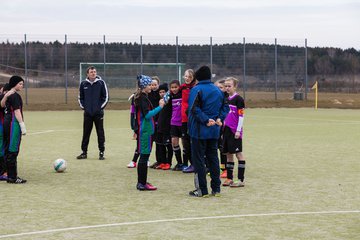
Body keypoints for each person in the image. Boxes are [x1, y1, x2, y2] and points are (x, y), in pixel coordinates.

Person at [187, 66, 228, 197]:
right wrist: (219, 118)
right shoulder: (217, 90)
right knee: (213, 158)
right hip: (214, 130)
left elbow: (194, 108)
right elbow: (225, 106)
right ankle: (216, 189)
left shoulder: (196, 89)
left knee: (198, 160)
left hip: (199, 131)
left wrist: (205, 120)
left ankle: (202, 190)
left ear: (197, 78)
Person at [134, 75, 164, 190]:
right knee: (144, 157)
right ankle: (141, 183)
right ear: (144, 86)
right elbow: (147, 115)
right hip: (145, 131)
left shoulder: (143, 97)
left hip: (146, 131)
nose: (151, 86)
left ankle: (143, 181)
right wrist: (160, 107)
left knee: (144, 157)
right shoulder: (143, 98)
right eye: (149, 85)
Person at [77, 66, 109, 160]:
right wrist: (85, 108)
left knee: (100, 132)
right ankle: (84, 152)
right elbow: (80, 98)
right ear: (87, 74)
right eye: (91, 72)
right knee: (86, 133)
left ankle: (101, 152)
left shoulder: (101, 83)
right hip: (87, 114)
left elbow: (106, 97)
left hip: (98, 114)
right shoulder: (83, 84)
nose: (93, 73)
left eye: (94, 71)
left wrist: (99, 108)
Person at [222, 77, 246, 187]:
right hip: (226, 130)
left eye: (229, 86)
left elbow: (241, 116)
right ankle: (229, 178)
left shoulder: (239, 99)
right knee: (228, 154)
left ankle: (241, 180)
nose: (227, 88)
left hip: (235, 131)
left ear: (235, 86)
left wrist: (238, 130)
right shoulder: (225, 98)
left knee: (238, 154)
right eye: (225, 86)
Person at [3, 76, 27, 183]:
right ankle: (12, 177)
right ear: (14, 84)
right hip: (14, 124)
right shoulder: (15, 96)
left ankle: (9, 175)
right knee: (13, 150)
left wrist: (4, 97)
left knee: (8, 148)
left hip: (7, 123)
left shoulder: (8, 94)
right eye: (20, 84)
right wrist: (22, 124)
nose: (22, 86)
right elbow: (17, 111)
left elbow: (2, 105)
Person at [180, 69, 197, 173]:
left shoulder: (195, 88)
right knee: (185, 143)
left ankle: (196, 164)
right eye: (186, 76)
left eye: (189, 77)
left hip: (192, 118)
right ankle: (191, 164)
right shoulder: (181, 88)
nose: (187, 78)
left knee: (193, 142)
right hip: (183, 119)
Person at [154, 83, 173, 170]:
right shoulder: (160, 102)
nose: (162, 94)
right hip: (160, 127)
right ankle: (163, 162)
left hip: (167, 127)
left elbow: (169, 94)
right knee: (160, 145)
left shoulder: (168, 100)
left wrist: (168, 93)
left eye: (163, 92)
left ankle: (168, 163)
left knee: (168, 145)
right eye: (160, 92)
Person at [215, 79, 229, 178]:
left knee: (223, 149)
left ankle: (225, 170)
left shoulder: (228, 99)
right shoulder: (215, 98)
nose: (218, 89)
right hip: (216, 125)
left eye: (221, 87)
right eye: (217, 87)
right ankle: (219, 169)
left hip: (225, 127)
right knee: (216, 147)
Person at [168, 80, 184, 171]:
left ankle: (187, 163)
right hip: (173, 122)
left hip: (182, 123)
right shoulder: (170, 96)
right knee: (174, 142)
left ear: (179, 87)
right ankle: (179, 163)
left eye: (176, 87)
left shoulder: (182, 94)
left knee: (185, 143)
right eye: (172, 87)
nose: (174, 89)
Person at [127, 91, 140, 168]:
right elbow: (133, 112)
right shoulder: (136, 96)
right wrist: (134, 127)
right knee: (140, 142)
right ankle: (134, 161)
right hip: (140, 124)